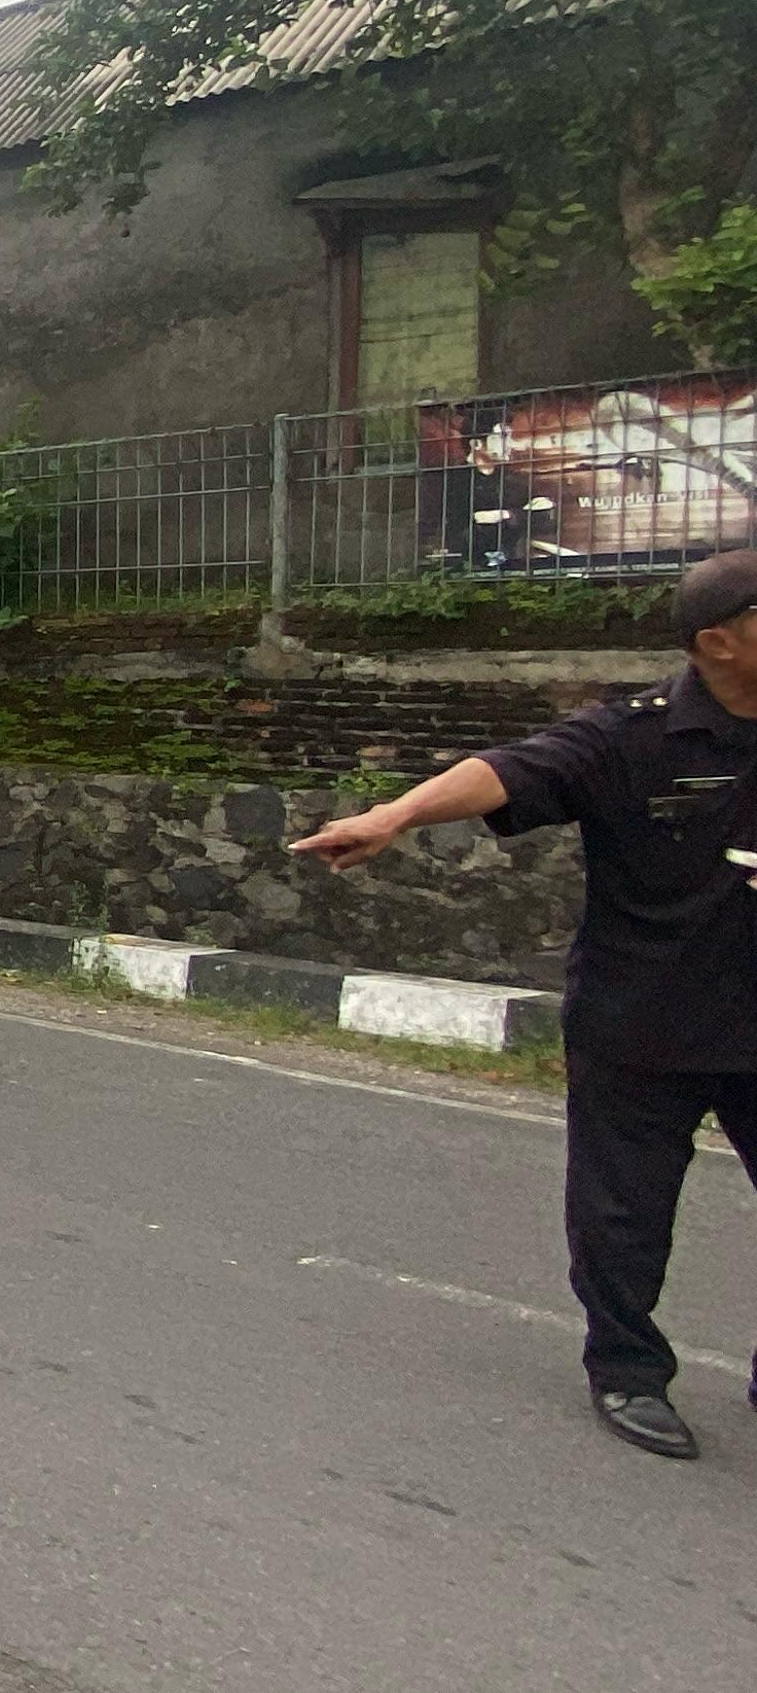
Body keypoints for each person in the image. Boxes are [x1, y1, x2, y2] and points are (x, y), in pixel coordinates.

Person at [294, 547, 757, 1460]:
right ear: (720, 641)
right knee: (623, 1218)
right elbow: (506, 770)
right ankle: (627, 1370)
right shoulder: (634, 737)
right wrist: (392, 816)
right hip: (643, 1024)